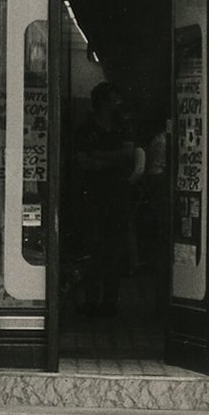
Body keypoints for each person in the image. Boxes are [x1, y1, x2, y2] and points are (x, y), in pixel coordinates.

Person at [73, 82, 137, 317]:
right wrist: (114, 160)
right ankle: (92, 301)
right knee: (94, 249)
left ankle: (109, 301)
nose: (117, 104)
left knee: (114, 250)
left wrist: (99, 156)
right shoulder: (86, 129)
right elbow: (83, 161)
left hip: (116, 196)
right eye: (113, 100)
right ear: (102, 102)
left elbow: (129, 155)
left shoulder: (122, 125)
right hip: (94, 196)